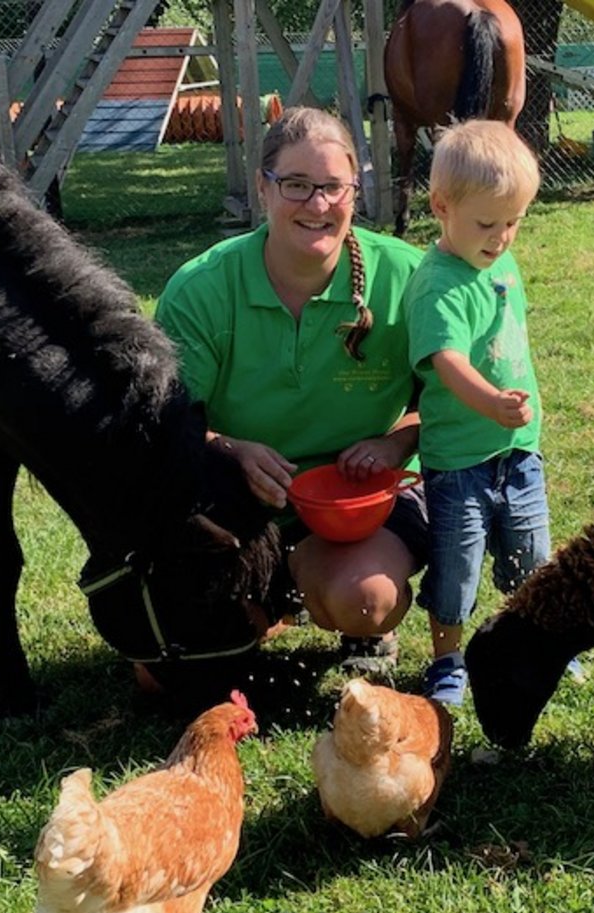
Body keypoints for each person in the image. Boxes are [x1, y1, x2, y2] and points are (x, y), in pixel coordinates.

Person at [154, 107, 427, 678]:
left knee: (364, 600)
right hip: (237, 503)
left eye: (333, 186)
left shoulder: (409, 278)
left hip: (359, 505)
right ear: (263, 187)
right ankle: (271, 594)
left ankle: (349, 613)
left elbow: (448, 404)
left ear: (356, 189)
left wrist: (394, 444)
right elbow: (163, 427)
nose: (318, 205)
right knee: (159, 674)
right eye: (296, 185)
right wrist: (231, 450)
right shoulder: (202, 289)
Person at [403, 120, 551, 707]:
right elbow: (448, 362)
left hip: (519, 450)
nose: (502, 238)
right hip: (459, 460)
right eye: (487, 224)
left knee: (531, 558)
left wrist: (511, 411)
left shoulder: (500, 264)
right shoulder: (438, 285)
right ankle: (448, 660)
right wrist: (491, 403)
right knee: (456, 566)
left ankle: (536, 641)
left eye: (513, 222)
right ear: (442, 206)